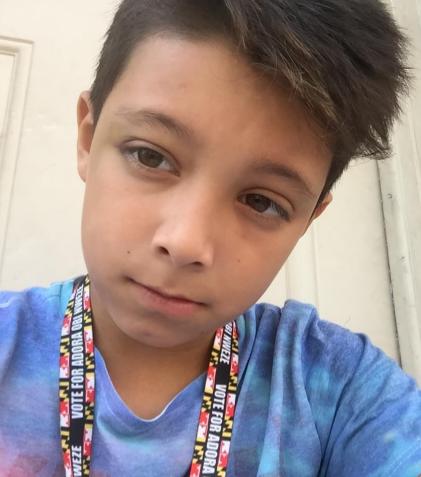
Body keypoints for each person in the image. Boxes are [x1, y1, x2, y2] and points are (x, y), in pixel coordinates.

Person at [0, 0, 420, 476]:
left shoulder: (342, 393)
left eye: (261, 201)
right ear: (88, 138)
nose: (185, 243)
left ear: (308, 218)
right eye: (151, 157)